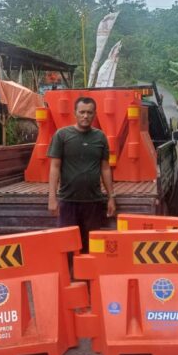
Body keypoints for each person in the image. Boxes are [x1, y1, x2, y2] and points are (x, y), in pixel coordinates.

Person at [47, 96, 116, 250]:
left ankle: (89, 275)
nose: (86, 116)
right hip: (68, 201)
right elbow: (54, 167)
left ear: (95, 114)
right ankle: (70, 274)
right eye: (82, 112)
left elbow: (105, 168)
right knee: (68, 246)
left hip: (93, 202)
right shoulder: (62, 135)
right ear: (75, 113)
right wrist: (52, 198)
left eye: (90, 112)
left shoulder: (100, 137)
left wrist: (111, 197)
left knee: (92, 247)